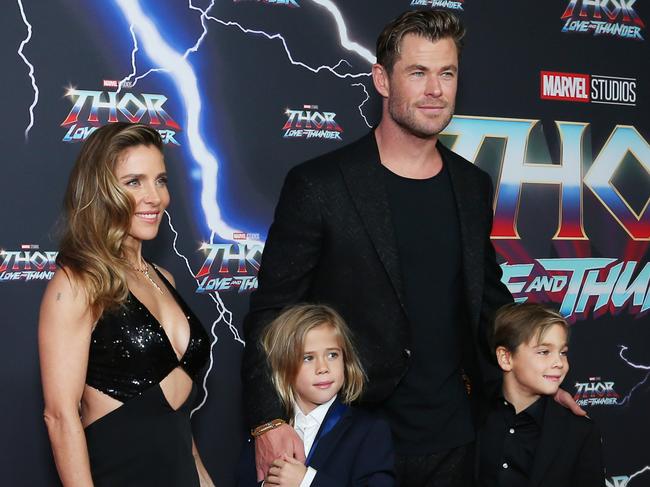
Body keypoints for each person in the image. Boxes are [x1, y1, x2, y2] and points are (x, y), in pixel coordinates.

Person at [242, 10, 582, 487]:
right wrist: (267, 421)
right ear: (382, 79)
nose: (435, 90)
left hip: (455, 440)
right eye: (418, 73)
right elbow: (273, 312)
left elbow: (487, 298)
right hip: (350, 442)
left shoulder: (471, 186)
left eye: (447, 73)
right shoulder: (321, 186)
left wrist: (535, 377)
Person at [38, 122, 214, 486]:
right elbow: (60, 416)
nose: (155, 197)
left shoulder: (164, 278)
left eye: (160, 180)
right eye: (134, 182)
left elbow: (178, 423)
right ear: (101, 190)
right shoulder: (78, 282)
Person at [239, 304, 395, 486]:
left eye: (332, 355)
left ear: (346, 360)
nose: (323, 368)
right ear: (283, 369)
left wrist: (306, 481)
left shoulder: (370, 431)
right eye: (308, 358)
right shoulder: (268, 435)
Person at [476, 303, 604, 486]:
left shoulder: (579, 432)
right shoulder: (471, 416)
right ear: (505, 358)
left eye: (563, 352)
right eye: (544, 352)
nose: (559, 362)